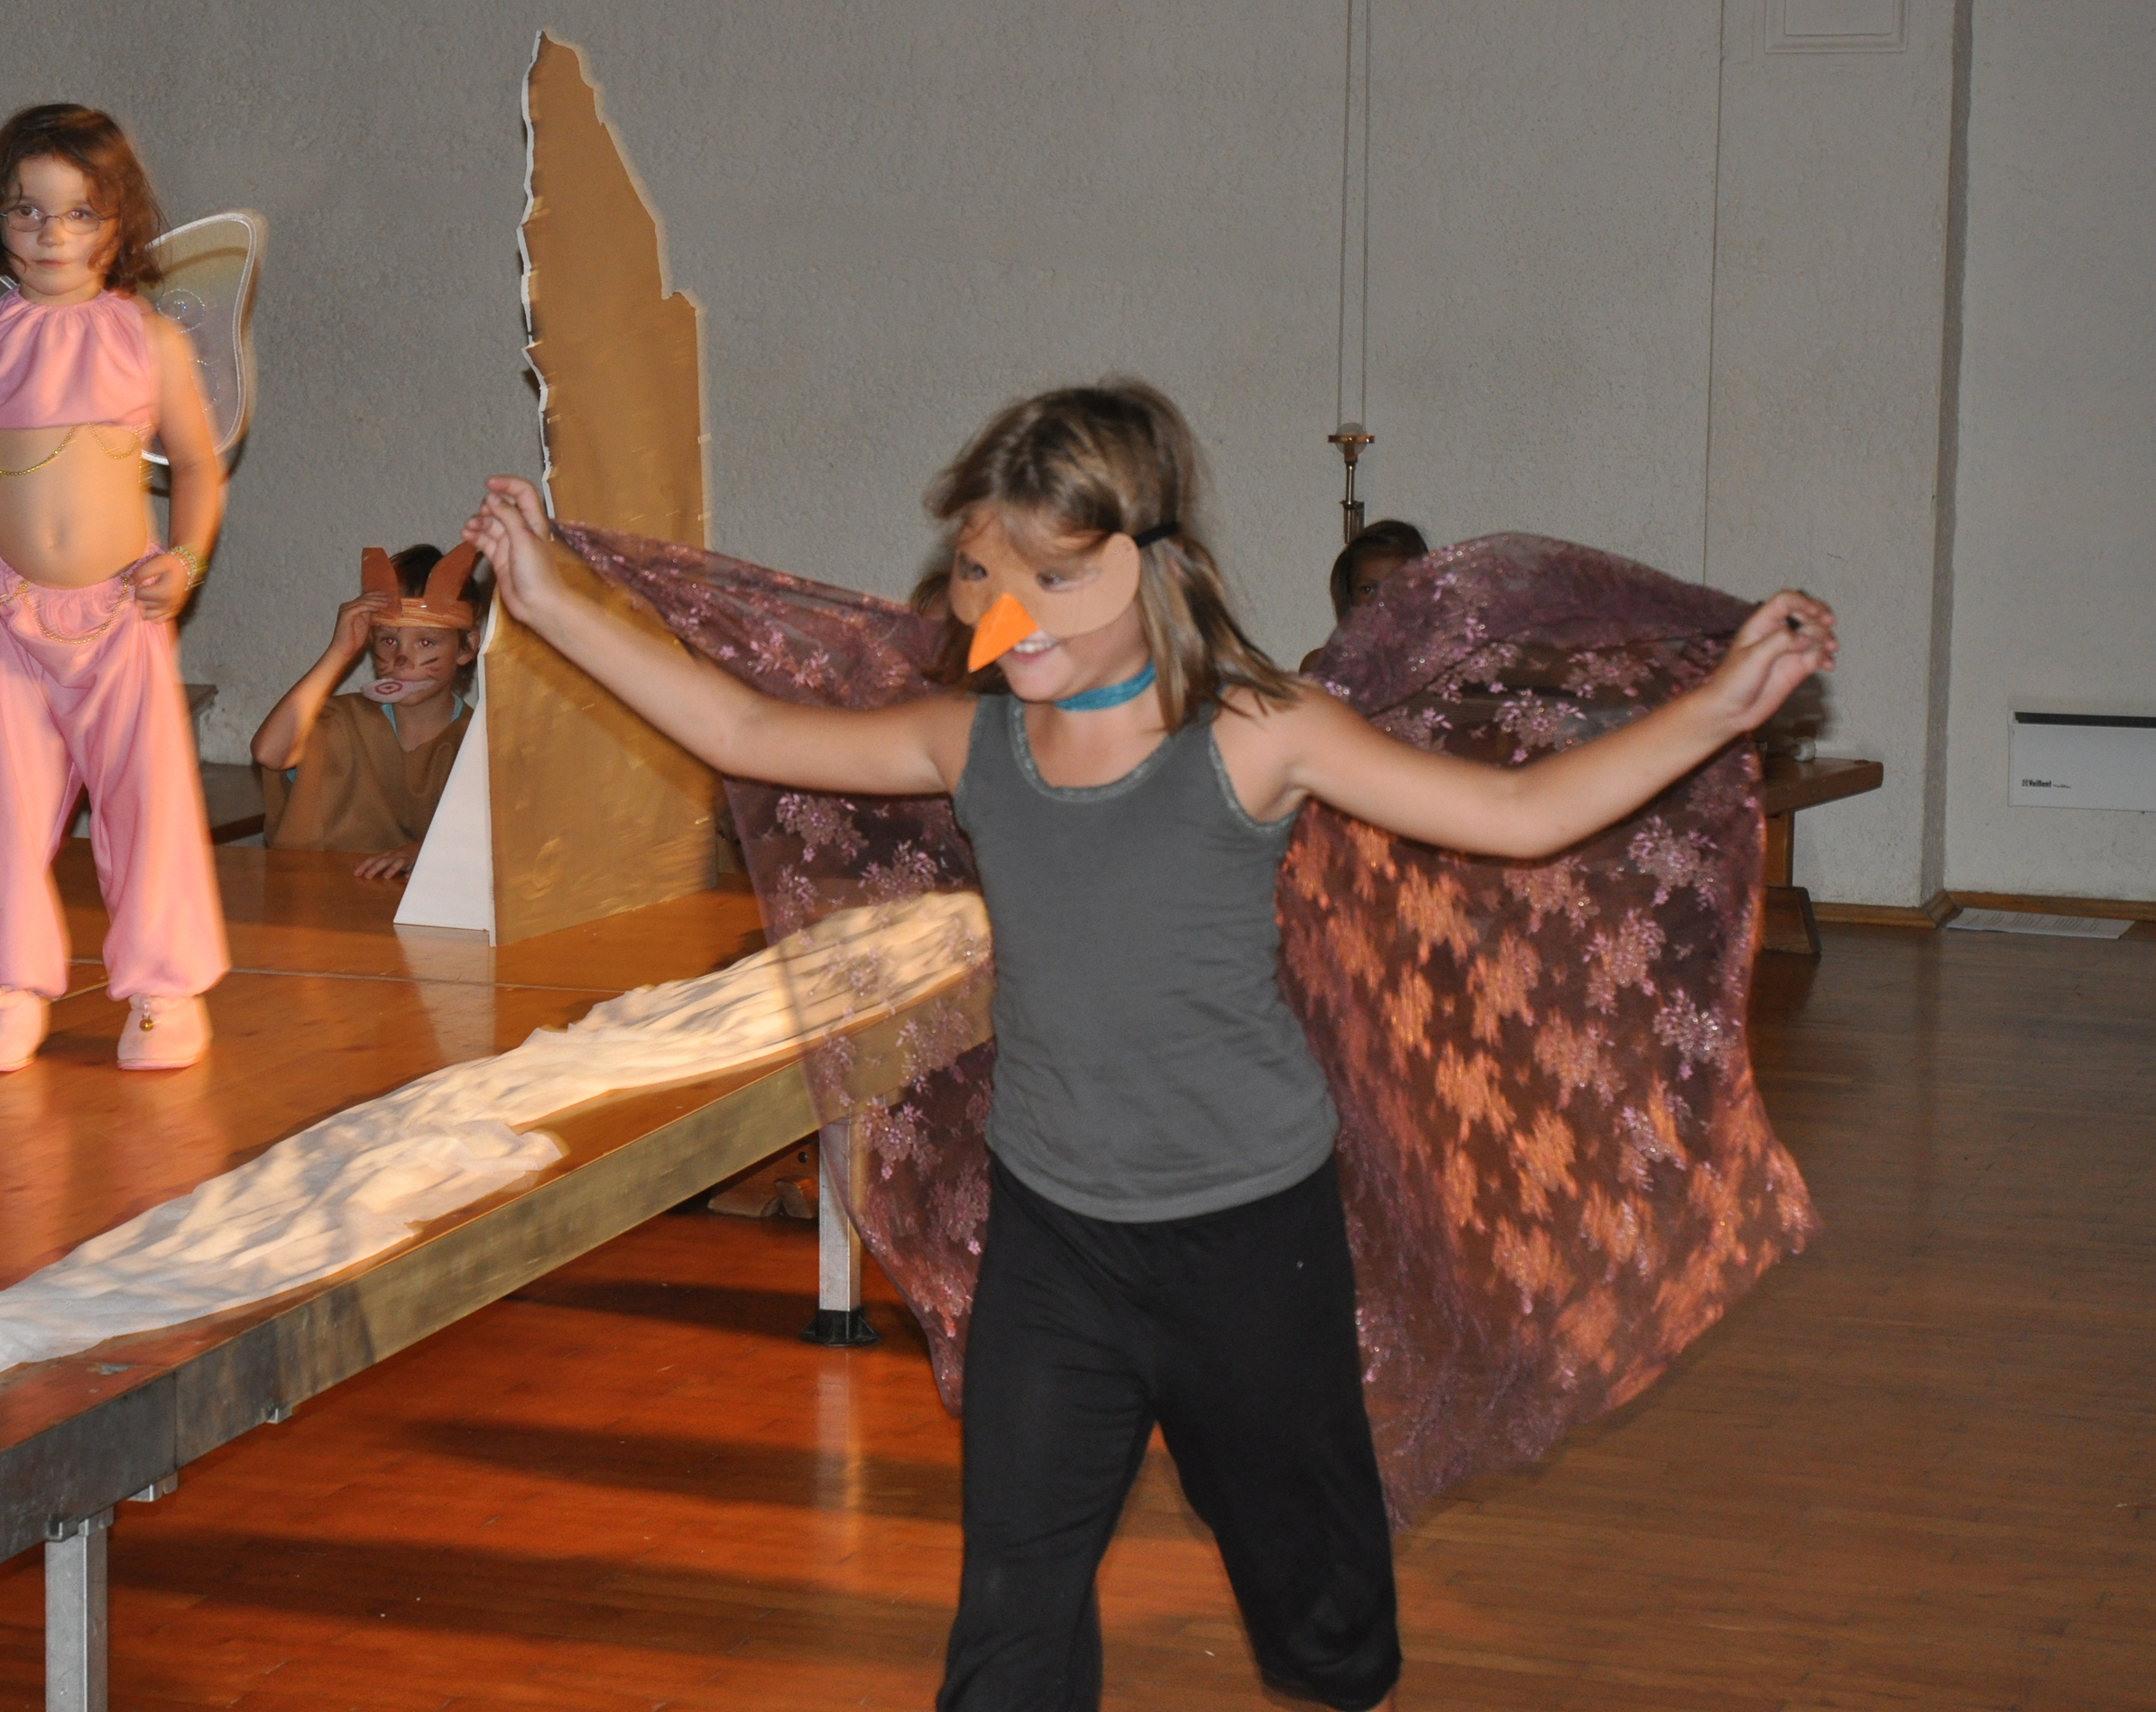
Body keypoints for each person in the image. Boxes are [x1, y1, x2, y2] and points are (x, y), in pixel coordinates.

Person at [465, 381, 1836, 1712]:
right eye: (981, 575)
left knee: (1321, 1621)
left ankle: (1338, 1644)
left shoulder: (1252, 737)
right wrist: (549, 600)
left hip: (1247, 1244)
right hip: (1055, 1244)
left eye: (1055, 578)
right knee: (1012, 1612)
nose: (1008, 613)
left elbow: (1522, 817)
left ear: (1145, 562)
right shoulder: (972, 741)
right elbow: (746, 725)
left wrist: (1719, 707)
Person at [0, 105, 226, 1074]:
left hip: (120, 615)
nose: (50, 233)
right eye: (26, 210)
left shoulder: (149, 339)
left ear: (118, 222)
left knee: (147, 801)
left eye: (78, 213)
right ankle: (9, 982)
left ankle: (163, 985)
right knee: (1, 804)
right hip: (7, 617)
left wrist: (184, 559)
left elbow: (199, 465)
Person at [250, 543, 484, 880]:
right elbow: (268, 752)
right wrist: (340, 652)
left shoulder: (480, 742)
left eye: (426, 642)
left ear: (467, 647)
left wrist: (430, 850)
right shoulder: (337, 722)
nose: (402, 659)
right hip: (318, 899)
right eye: (388, 641)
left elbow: (499, 841)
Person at [1301, 518, 1429, 676]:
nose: (1382, 600)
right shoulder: (1323, 666)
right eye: (1368, 589)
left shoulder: (1442, 668)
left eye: (1398, 586)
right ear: (1349, 598)